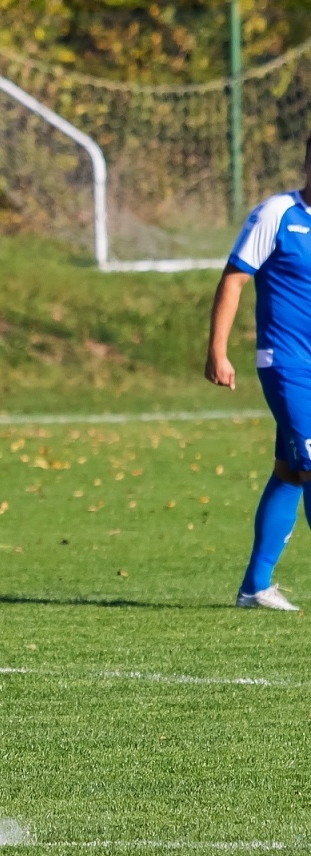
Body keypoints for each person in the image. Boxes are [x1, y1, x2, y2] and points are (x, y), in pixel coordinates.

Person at [206, 131, 311, 612]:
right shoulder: (278, 214)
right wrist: (218, 350)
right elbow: (235, 277)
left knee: (291, 471)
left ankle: (255, 587)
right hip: (286, 363)